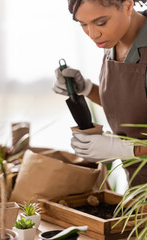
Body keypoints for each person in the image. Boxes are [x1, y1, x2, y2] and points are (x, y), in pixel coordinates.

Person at [53, 0, 147, 186]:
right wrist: (87, 89)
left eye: (101, 22)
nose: (93, 34)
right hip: (139, 187)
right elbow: (131, 105)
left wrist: (125, 149)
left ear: (128, 5)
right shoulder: (114, 40)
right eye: (83, 24)